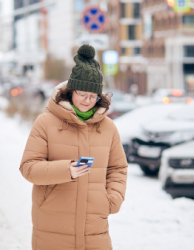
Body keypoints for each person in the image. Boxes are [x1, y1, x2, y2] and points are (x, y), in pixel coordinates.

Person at [20, 44, 128, 250]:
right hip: (52, 223)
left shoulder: (108, 127)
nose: (88, 101)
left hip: (94, 225)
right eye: (82, 94)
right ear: (71, 92)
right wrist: (65, 170)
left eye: (93, 96)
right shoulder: (45, 122)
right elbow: (28, 167)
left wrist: (112, 199)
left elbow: (118, 168)